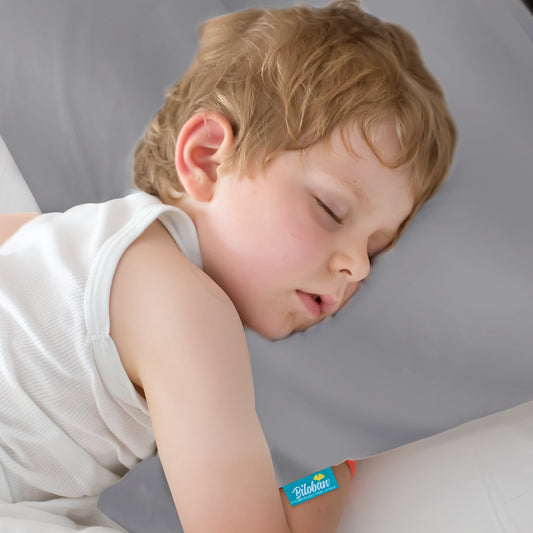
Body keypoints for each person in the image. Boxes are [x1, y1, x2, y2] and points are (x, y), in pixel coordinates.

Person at [0, 0, 456, 531]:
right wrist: (327, 478)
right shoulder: (189, 310)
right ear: (208, 158)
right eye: (331, 210)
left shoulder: (60, 236)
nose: (358, 267)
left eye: (376, 249)